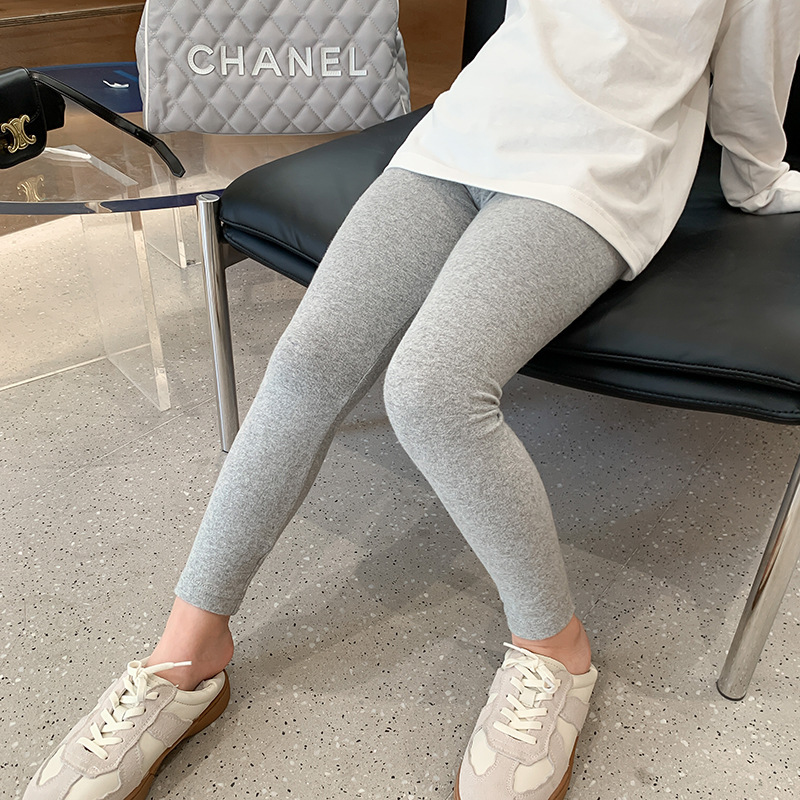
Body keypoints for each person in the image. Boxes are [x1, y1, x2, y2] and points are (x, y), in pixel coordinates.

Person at [23, 1, 800, 799]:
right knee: (308, 359)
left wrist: (755, 182)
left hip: (597, 169)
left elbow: (755, 68)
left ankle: (556, 646)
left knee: (433, 392)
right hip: (460, 136)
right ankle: (186, 654)